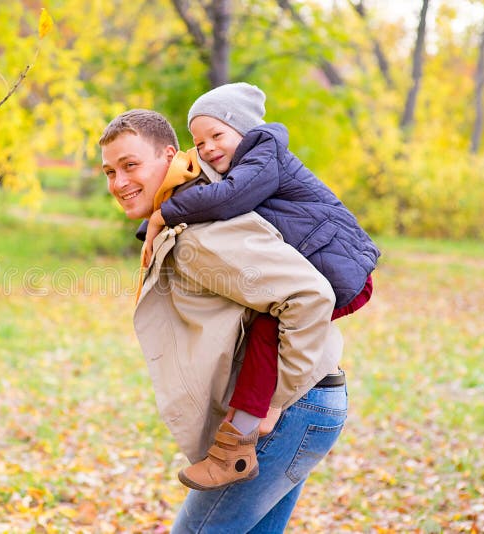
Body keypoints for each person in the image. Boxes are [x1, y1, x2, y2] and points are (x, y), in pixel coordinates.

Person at [100, 108, 348, 531]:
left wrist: (273, 403)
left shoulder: (200, 234)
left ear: (169, 155)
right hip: (305, 404)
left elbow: (309, 295)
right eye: (109, 171)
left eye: (130, 165)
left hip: (287, 413)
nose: (119, 182)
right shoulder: (190, 218)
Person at [141, 83, 379, 491]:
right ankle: (241, 434)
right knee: (265, 327)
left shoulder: (265, 152)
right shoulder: (247, 161)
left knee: (269, 330)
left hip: (343, 270)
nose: (208, 148)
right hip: (325, 263)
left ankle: (252, 426)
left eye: (217, 135)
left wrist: (162, 215)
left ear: (244, 129)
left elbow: (229, 198)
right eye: (198, 141)